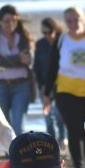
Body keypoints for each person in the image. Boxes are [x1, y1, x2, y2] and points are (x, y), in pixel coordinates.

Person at [43, 6, 85, 168]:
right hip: (65, 90)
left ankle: (81, 159)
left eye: (76, 20)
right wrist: (47, 94)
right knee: (73, 128)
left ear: (83, 19)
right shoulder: (62, 40)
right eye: (69, 21)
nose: (73, 24)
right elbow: (53, 67)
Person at [0, 4, 35, 135]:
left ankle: (20, 149)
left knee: (19, 126)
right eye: (7, 21)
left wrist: (8, 60)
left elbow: (28, 60)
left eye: (14, 20)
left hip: (21, 85)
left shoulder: (23, 35)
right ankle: (10, 149)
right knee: (4, 127)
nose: (11, 24)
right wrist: (18, 59)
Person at [34, 17, 67, 148]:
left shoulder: (63, 42)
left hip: (61, 84)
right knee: (47, 116)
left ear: (55, 29)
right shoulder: (40, 44)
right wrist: (40, 85)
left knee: (59, 114)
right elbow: (36, 66)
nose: (48, 35)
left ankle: (62, 137)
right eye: (44, 33)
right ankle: (51, 141)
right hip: (44, 85)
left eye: (50, 32)